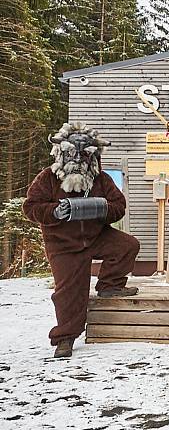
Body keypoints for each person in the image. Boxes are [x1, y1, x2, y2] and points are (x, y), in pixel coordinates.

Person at [23, 123, 140, 358]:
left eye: (84, 153)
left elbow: (119, 206)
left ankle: (109, 286)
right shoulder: (48, 178)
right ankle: (65, 338)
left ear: (93, 155)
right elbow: (31, 207)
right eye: (72, 153)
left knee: (127, 245)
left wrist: (101, 209)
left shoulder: (101, 179)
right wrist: (55, 212)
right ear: (61, 153)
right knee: (68, 292)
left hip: (97, 237)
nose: (77, 158)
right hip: (63, 245)